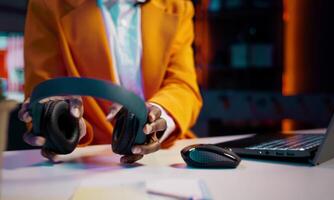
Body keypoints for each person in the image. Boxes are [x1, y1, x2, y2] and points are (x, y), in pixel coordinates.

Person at [18, 0, 202, 163]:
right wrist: (62, 125)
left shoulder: (178, 5)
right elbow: (45, 88)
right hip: (84, 158)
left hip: (165, 155)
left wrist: (158, 116)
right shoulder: (47, 4)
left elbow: (183, 85)